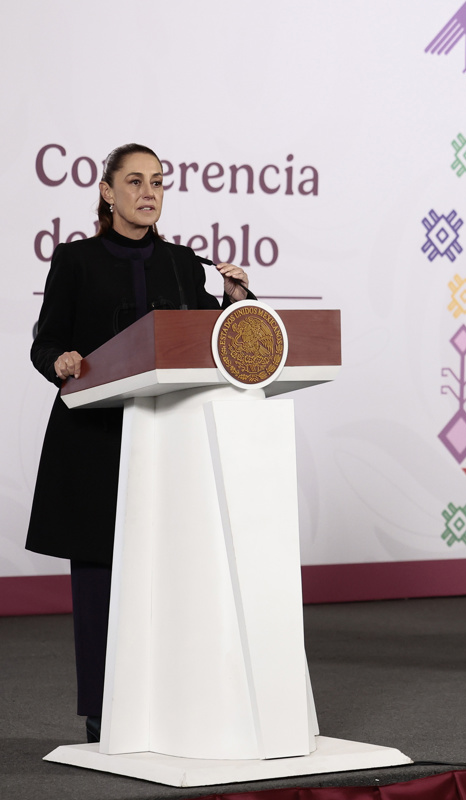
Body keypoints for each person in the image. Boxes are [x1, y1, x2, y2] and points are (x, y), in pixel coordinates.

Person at [26, 143, 252, 742]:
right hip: (96, 438)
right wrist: (64, 361)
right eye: (134, 182)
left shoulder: (182, 263)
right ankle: (104, 710)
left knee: (172, 569)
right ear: (107, 191)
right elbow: (44, 343)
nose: (148, 193)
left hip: (167, 437)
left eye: (157, 182)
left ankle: (174, 698)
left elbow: (211, 340)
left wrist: (235, 302)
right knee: (100, 573)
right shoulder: (74, 260)